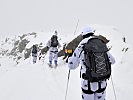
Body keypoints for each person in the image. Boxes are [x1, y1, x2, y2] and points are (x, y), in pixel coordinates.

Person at [68, 26, 115, 100]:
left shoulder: (81, 47)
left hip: (88, 83)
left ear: (83, 35)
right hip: (102, 82)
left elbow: (72, 66)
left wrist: (70, 57)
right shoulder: (100, 44)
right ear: (92, 33)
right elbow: (113, 61)